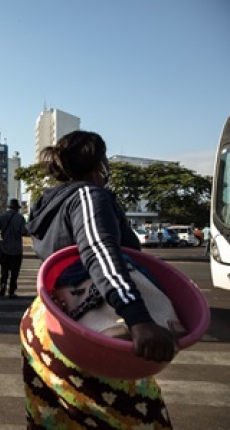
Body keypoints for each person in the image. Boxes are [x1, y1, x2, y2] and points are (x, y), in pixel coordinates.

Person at [25, 131, 176, 428]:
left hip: (49, 323)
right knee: (136, 419)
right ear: (100, 164)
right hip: (91, 329)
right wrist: (138, 319)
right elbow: (100, 253)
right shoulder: (87, 197)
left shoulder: (47, 204)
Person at [0, 199, 27, 299]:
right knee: (15, 272)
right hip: (16, 249)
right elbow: (23, 232)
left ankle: (3, 285)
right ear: (16, 208)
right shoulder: (20, 218)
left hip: (4, 248)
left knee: (4, 270)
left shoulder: (1, 217)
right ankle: (11, 291)